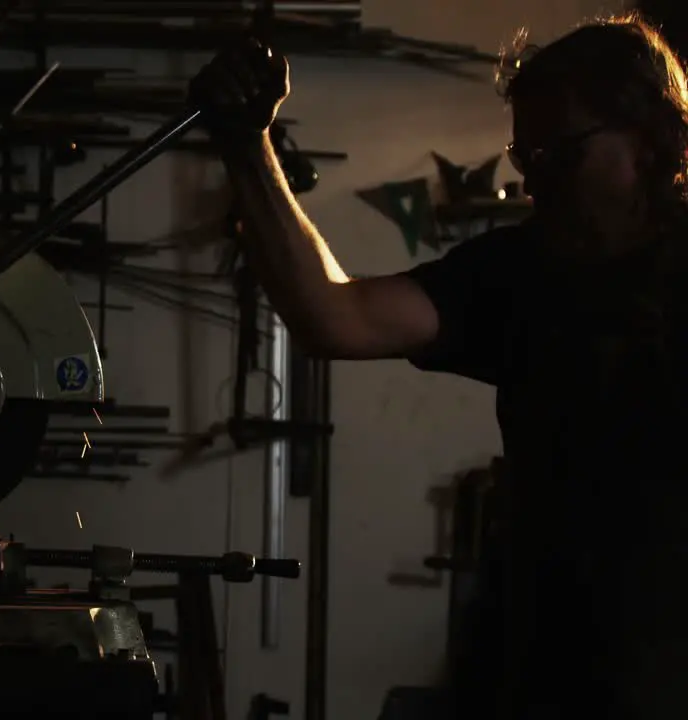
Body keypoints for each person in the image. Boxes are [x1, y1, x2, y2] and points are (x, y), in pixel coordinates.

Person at [191, 11, 688, 720]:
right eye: (528, 158)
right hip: (545, 682)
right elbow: (336, 315)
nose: (536, 185)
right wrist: (248, 146)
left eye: (562, 156)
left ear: (650, 142)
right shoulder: (522, 273)